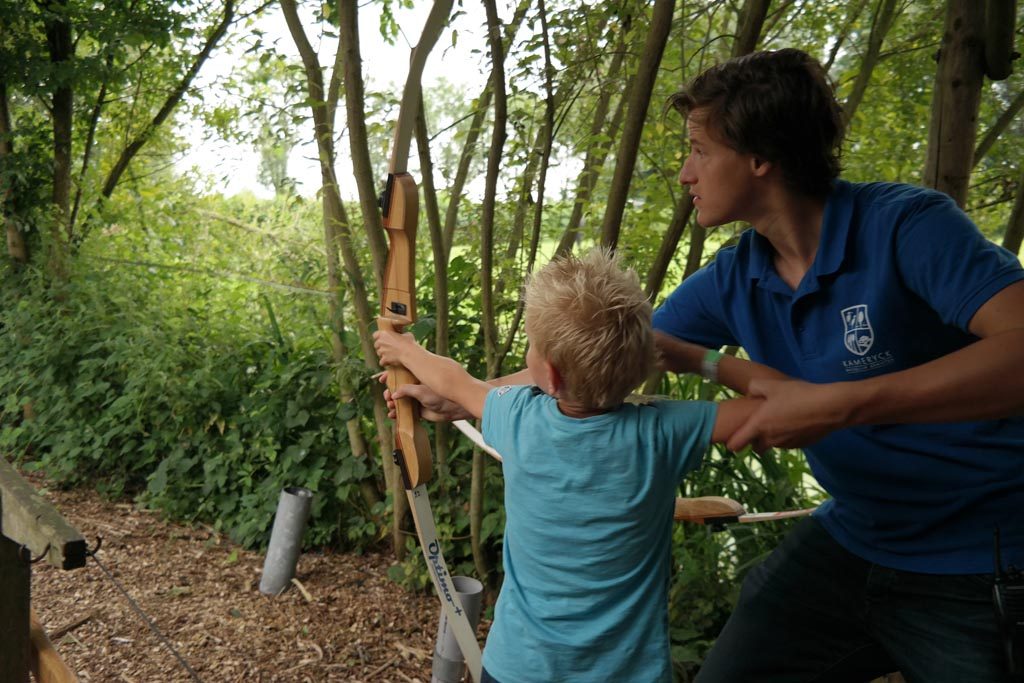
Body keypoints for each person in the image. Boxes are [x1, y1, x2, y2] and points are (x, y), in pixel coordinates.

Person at [652, 47, 1024, 682]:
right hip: (854, 538)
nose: (685, 173)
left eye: (699, 150)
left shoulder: (906, 226)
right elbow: (609, 347)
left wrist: (839, 404)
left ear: (760, 157)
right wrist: (461, 388)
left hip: (983, 556)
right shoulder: (738, 272)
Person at [374, 249, 759, 683]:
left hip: (517, 670)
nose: (527, 352)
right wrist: (695, 358)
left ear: (551, 377)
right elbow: (775, 402)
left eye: (532, 347)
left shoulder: (518, 417)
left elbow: (456, 382)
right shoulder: (668, 430)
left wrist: (402, 348)